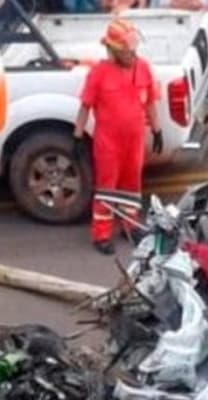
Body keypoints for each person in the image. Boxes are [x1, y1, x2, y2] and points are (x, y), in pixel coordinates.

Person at [73, 18, 162, 256]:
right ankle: (101, 234)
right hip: (108, 143)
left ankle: (130, 226)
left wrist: (157, 129)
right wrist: (77, 135)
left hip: (134, 141)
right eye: (128, 50)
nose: (133, 54)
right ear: (114, 50)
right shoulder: (99, 74)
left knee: (132, 186)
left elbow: (151, 102)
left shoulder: (142, 67)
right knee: (107, 188)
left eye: (134, 49)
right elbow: (85, 107)